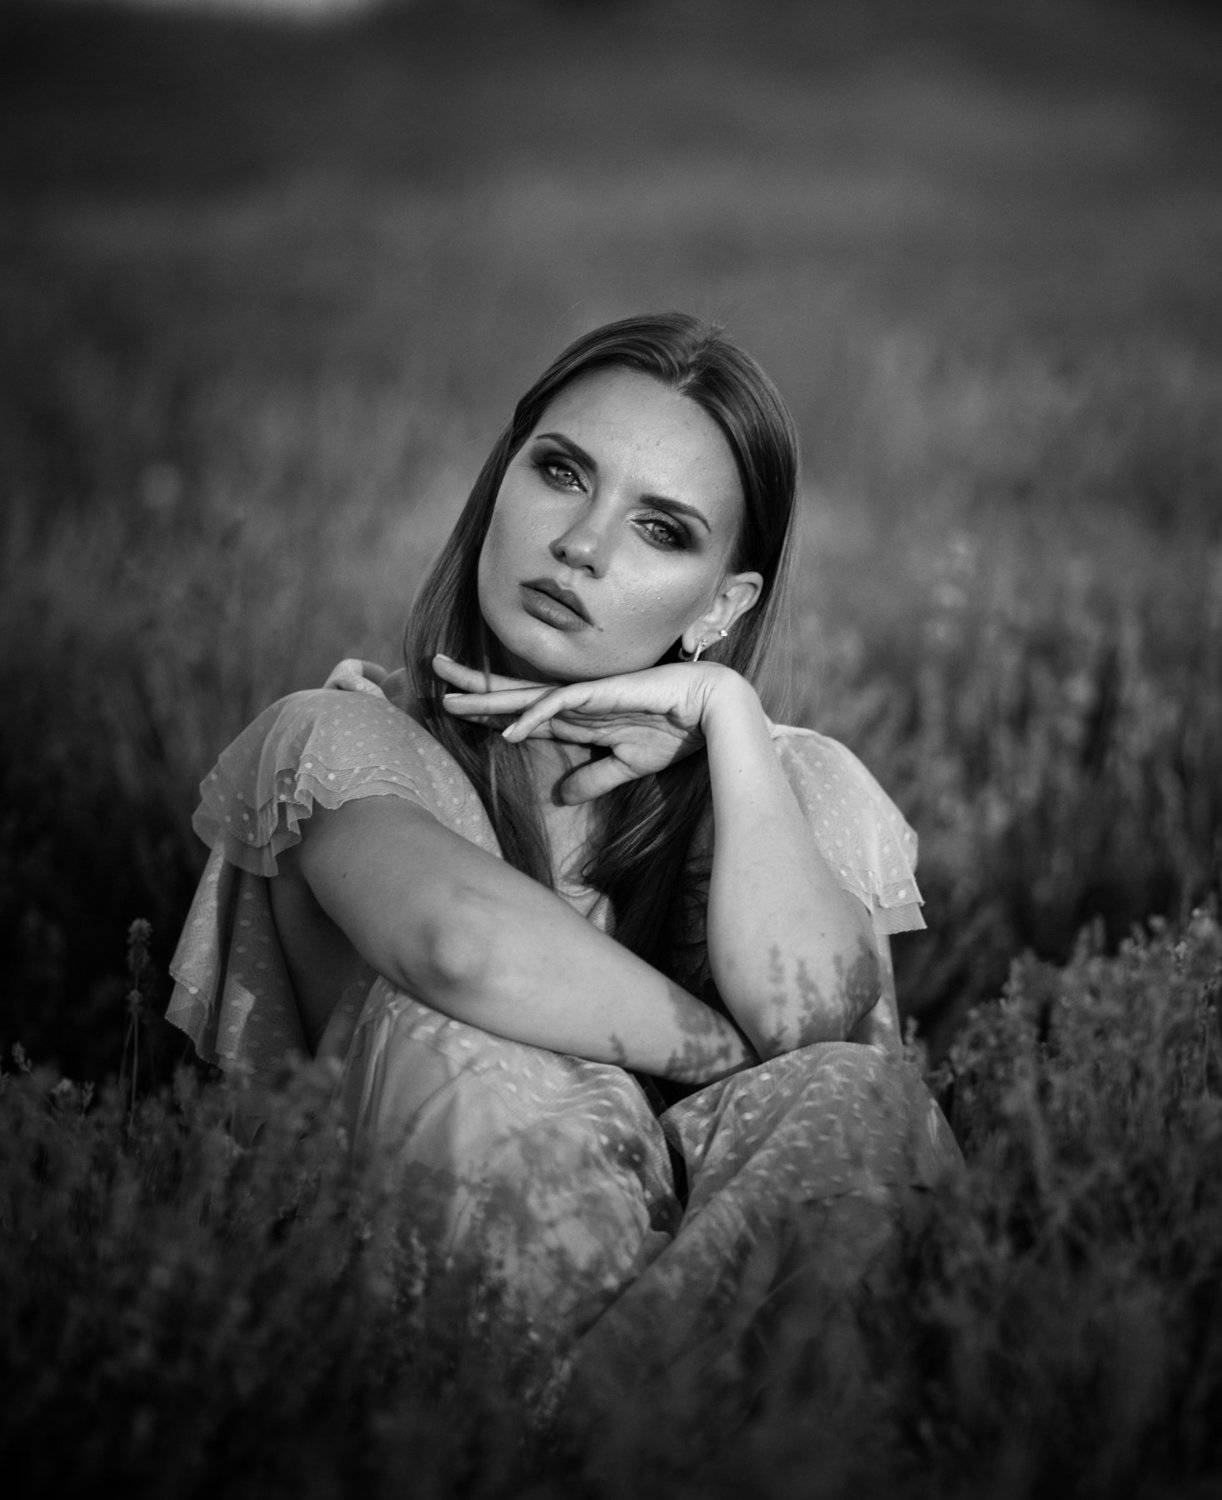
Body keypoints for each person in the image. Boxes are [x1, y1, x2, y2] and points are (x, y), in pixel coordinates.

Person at [166, 312, 961, 1379]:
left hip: (738, 1376)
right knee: (458, 1036)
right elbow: (459, 948)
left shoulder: (781, 785)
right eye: (561, 472)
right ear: (500, 481)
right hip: (440, 1367)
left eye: (661, 529)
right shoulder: (344, 743)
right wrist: (724, 1054)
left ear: (722, 604)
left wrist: (728, 717)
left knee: (859, 1096)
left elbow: (819, 1028)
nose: (582, 544)